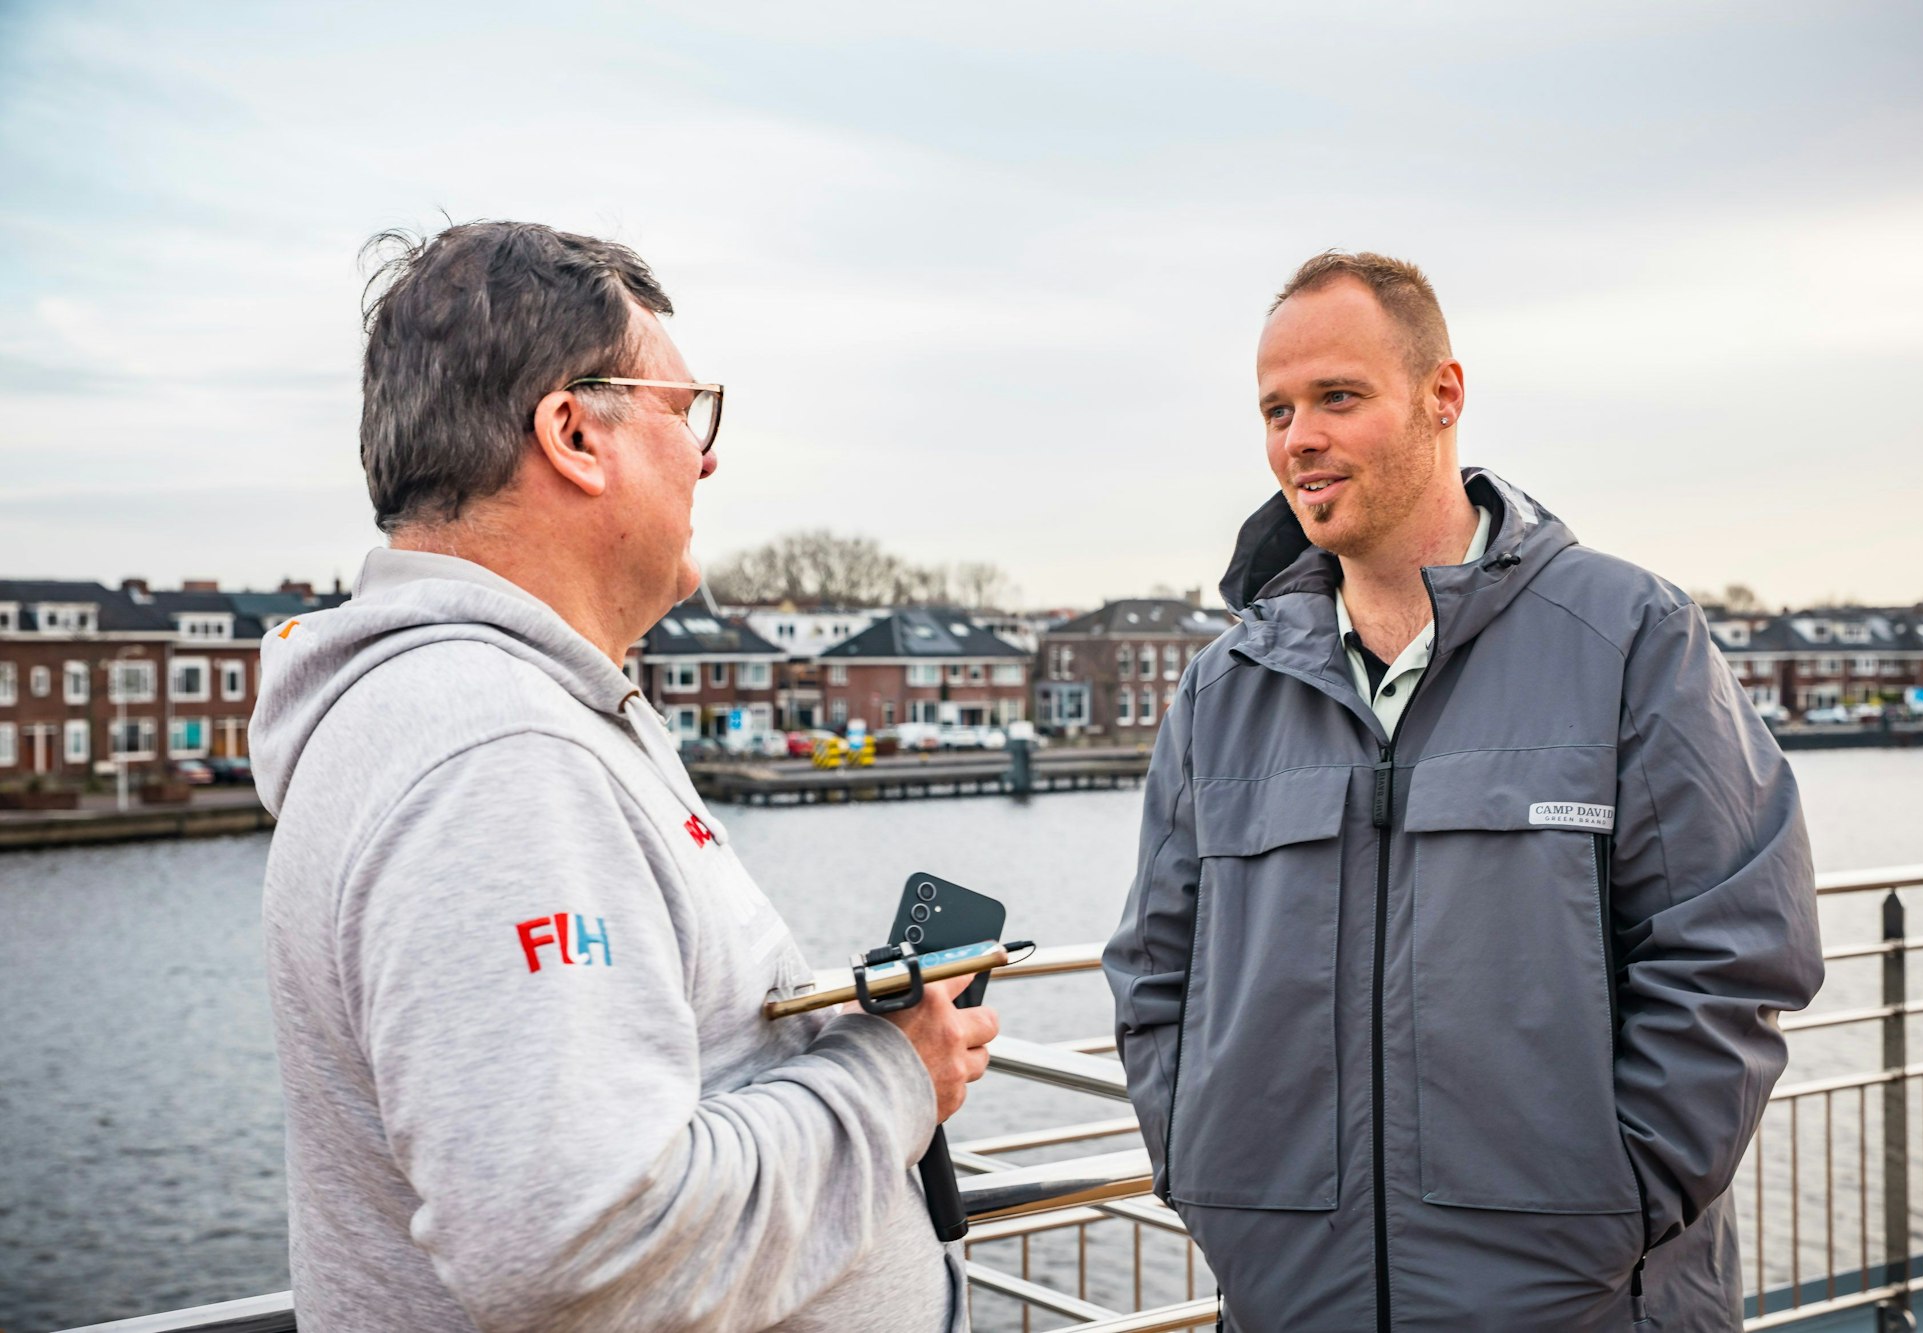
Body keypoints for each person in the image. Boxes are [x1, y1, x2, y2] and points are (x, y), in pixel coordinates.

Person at [253, 221, 996, 1332]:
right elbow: (583, 1247)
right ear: (573, 435)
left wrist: (803, 1031)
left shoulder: (481, 714)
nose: (705, 457)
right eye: (683, 412)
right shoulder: (496, 755)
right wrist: (893, 1075)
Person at [1102, 250, 1823, 1331]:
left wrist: (1617, 1206)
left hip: (1579, 1302)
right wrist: (1214, 1189)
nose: (1298, 438)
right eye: (1276, 410)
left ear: (1443, 394)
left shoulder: (1629, 637)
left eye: (1337, 397)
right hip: (1295, 1301)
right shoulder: (1222, 690)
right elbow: (1156, 975)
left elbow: (1731, 951)